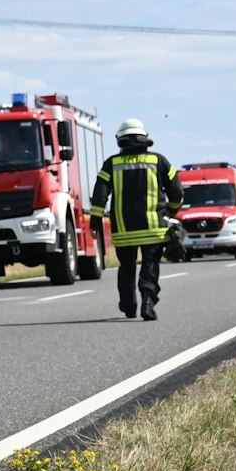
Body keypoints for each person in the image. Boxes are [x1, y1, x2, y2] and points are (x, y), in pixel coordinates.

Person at [88, 118, 183, 321]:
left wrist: (95, 219)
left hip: (124, 230)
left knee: (126, 267)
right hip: (154, 229)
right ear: (144, 138)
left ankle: (128, 305)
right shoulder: (159, 161)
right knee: (150, 265)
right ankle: (148, 302)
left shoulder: (111, 164)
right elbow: (176, 191)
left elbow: (100, 194)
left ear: (120, 140)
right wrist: (172, 211)